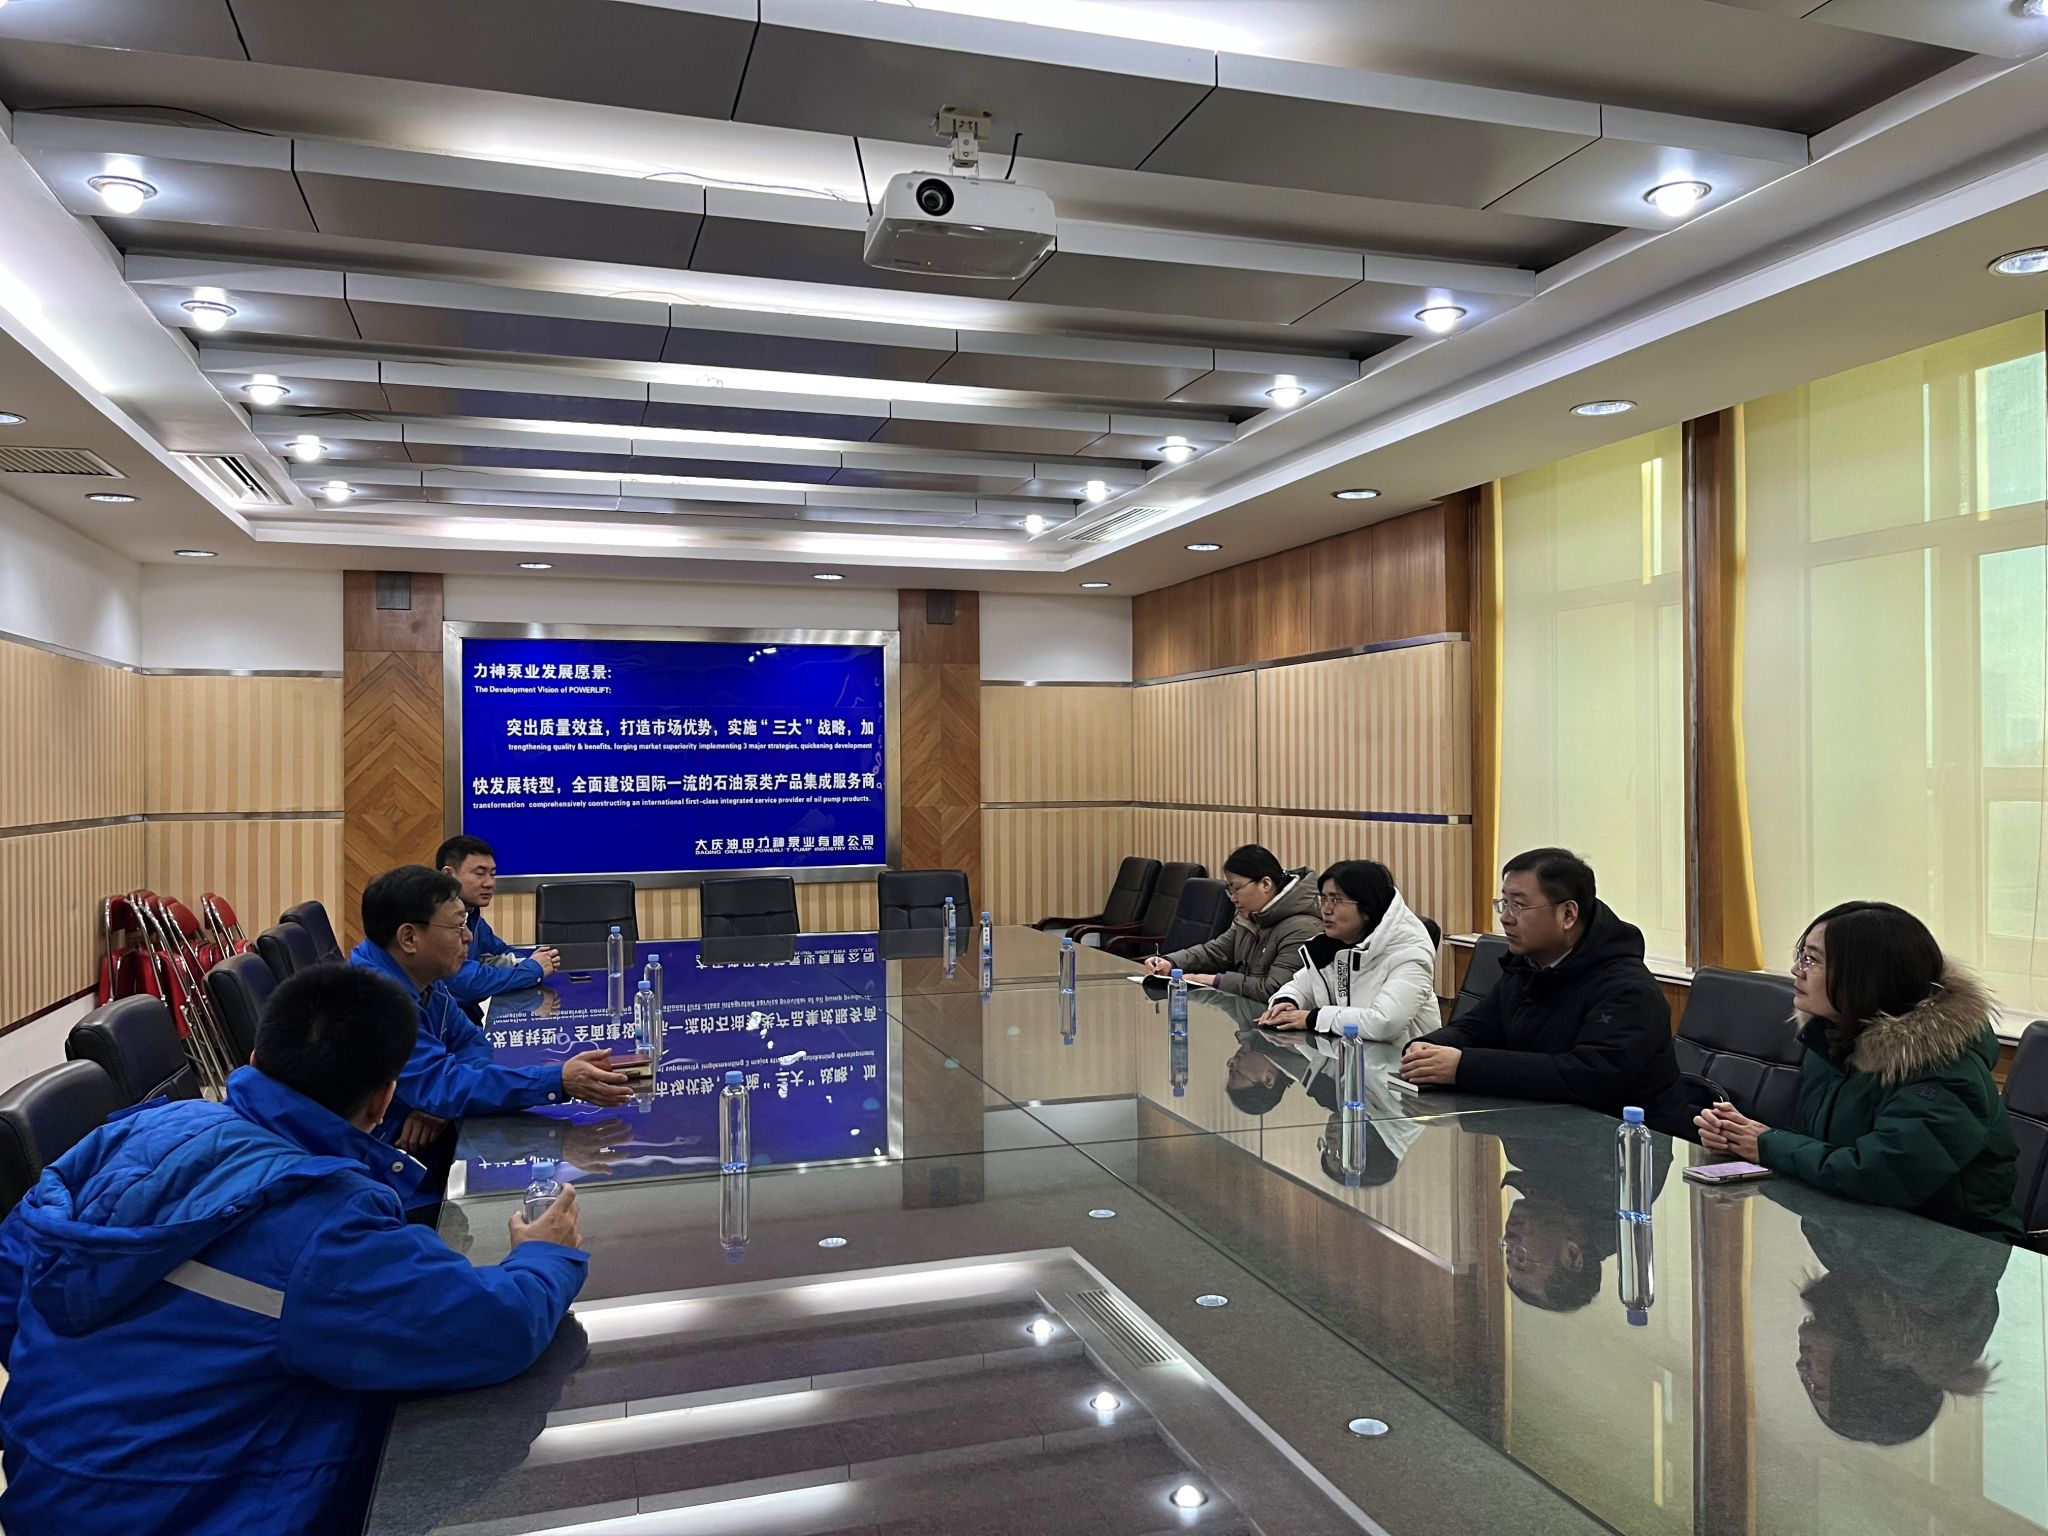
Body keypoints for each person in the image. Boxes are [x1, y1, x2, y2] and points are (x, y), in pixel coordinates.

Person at [0, 965, 590, 1536]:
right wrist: (545, 1255)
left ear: (256, 1059)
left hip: (40, 1493)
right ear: (384, 1102)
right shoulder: (326, 1223)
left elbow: (11, 1288)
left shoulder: (132, 1130)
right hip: (188, 1512)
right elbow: (493, 1329)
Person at [1696, 902, 2021, 1239]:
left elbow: (1882, 1176)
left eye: (1812, 960)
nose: (1796, 970)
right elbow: (1822, 1147)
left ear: (1864, 977)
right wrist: (1740, 1137)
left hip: (1954, 1249)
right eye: (1801, 955)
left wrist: (1767, 1146)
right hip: (1855, 1232)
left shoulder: (1945, 1072)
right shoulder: (1833, 1041)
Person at [1402, 847, 1690, 1134]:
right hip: (1539, 1130)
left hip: (1622, 1144)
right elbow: (1478, 1028)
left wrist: (1463, 1067)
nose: (1506, 918)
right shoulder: (1528, 966)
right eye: (1504, 903)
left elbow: (1587, 1077)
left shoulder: (1628, 989)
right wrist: (1428, 1047)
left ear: (1568, 914)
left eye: (1519, 905)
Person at [349, 865, 631, 1158]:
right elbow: (442, 1086)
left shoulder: (418, 971)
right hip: (381, 1156)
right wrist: (558, 1081)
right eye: (457, 926)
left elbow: (469, 1039)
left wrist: (443, 1100)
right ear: (409, 938)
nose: (468, 937)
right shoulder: (376, 1001)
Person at [1255, 859, 1439, 1070]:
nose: (1326, 910)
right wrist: (1287, 1002)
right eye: (1323, 899)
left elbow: (1384, 1023)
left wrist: (1313, 1018)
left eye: (1336, 900)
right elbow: (1300, 986)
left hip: (1401, 1075)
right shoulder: (1338, 943)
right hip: (1347, 1065)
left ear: (1367, 908)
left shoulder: (1411, 953)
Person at [1142, 844, 1322, 1003]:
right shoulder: (1251, 916)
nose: (1233, 898)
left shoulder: (1302, 928)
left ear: (1265, 884)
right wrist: (1170, 962)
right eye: (1229, 890)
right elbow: (1215, 952)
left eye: (1237, 889)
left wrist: (1214, 980)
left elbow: (1274, 990)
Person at [435, 833, 559, 1016]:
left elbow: (503, 953)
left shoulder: (473, 916)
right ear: (448, 875)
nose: (489, 883)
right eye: (479, 873)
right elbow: (463, 983)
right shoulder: (434, 922)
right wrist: (532, 970)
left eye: (492, 874)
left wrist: (533, 962)